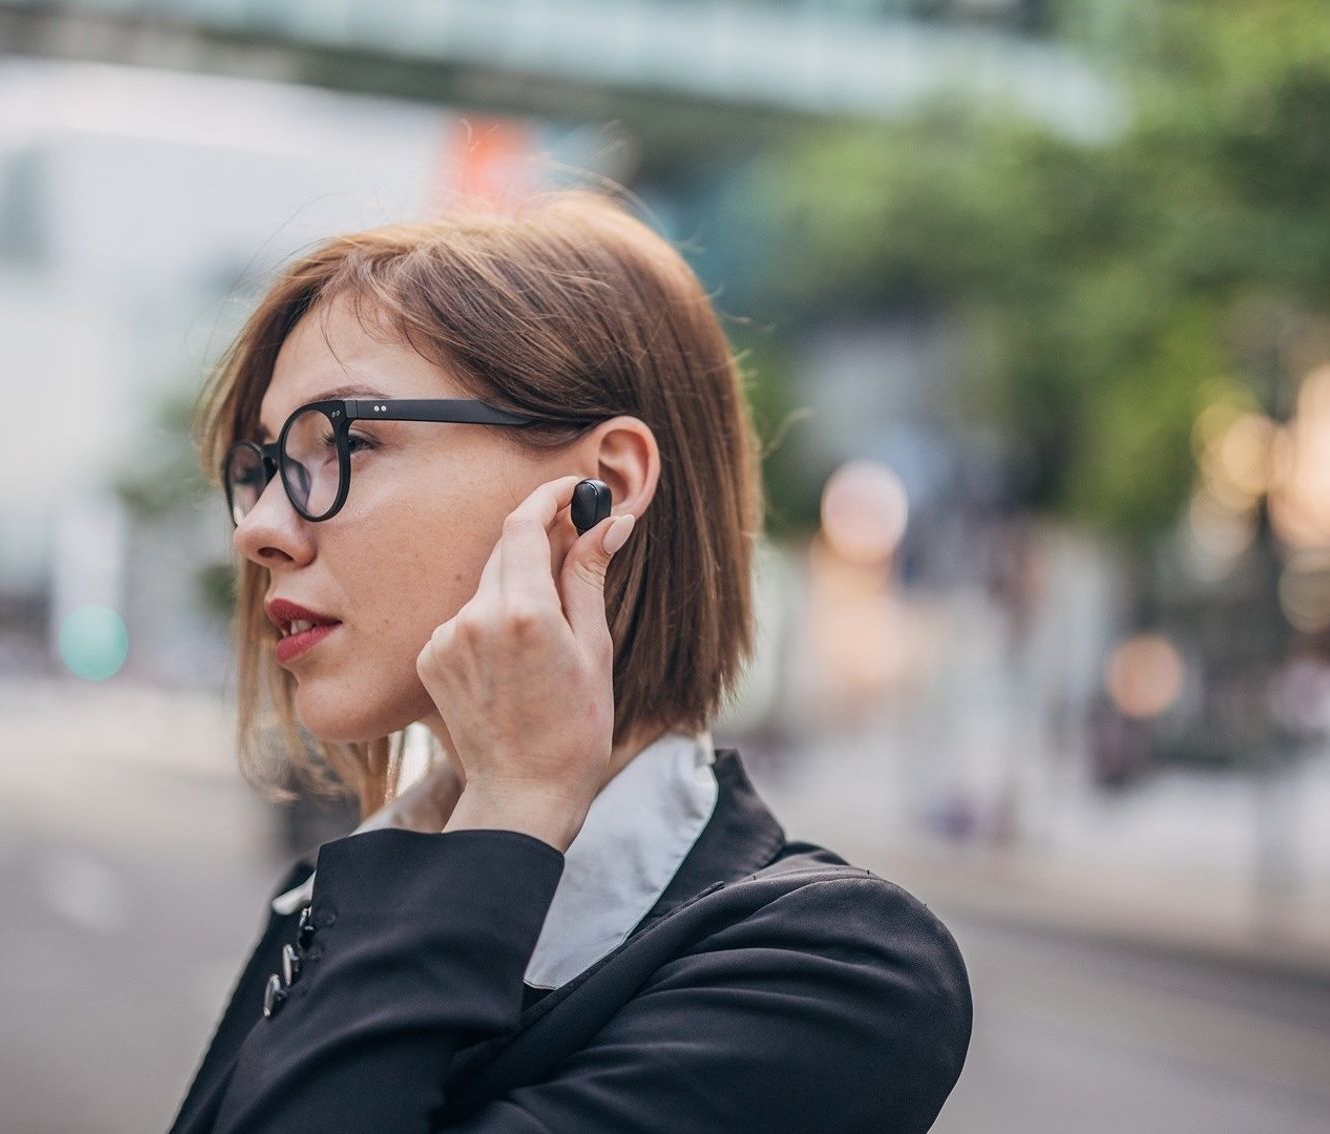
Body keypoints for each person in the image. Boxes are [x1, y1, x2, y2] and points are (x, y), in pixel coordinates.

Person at [167, 190, 972, 1133]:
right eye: (261, 467)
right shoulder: (328, 900)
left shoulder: (839, 973)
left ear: (602, 492)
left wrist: (513, 809)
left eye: (343, 440)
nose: (260, 528)